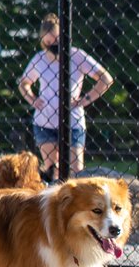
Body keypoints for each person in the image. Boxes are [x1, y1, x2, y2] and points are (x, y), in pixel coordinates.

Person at [17, 13, 113, 182]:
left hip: (73, 122)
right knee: (51, 170)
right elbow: (24, 83)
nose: (53, 45)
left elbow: (106, 79)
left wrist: (85, 100)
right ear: (42, 41)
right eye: (48, 43)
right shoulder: (39, 59)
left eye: (56, 41)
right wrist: (33, 99)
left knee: (77, 171)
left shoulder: (77, 56)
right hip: (44, 122)